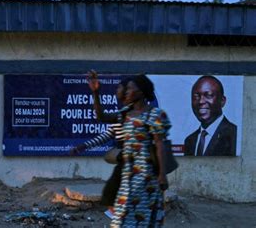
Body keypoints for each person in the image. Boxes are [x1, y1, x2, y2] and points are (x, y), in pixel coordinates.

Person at [92, 73, 171, 227]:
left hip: (146, 177)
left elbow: (160, 145)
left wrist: (162, 175)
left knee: (142, 219)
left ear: (140, 92)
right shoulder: (126, 114)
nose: (125, 92)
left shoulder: (155, 115)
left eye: (129, 89)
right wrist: (96, 92)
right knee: (121, 219)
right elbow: (101, 117)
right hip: (128, 176)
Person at [69, 76, 132, 219]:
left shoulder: (142, 114)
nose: (117, 91)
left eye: (120, 88)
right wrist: (83, 146)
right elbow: (106, 133)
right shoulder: (121, 115)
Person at [184, 75, 237, 156]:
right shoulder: (190, 140)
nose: (201, 101)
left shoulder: (234, 135)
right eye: (196, 96)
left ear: (222, 101)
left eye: (208, 95)